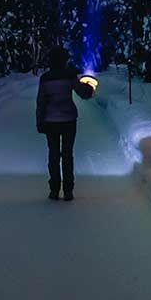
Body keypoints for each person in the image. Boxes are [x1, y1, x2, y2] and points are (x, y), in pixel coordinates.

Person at [35, 46, 94, 201]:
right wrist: (89, 86)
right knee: (68, 154)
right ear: (64, 60)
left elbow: (41, 102)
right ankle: (68, 191)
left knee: (53, 154)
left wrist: (39, 121)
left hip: (50, 121)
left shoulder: (45, 78)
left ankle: (54, 190)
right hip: (69, 119)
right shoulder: (70, 76)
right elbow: (83, 93)